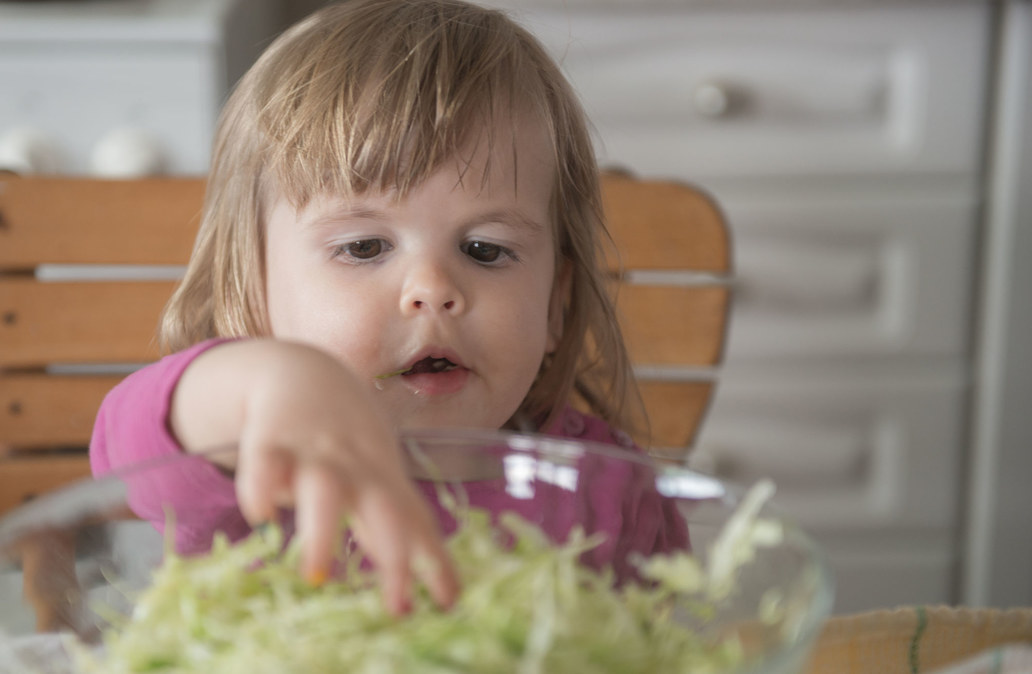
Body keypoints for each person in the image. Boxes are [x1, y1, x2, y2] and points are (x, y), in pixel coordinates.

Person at [90, 0, 686, 617]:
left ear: (556, 307)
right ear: (252, 291)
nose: (431, 288)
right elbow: (127, 447)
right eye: (364, 247)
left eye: (485, 250)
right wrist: (265, 383)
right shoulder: (249, 466)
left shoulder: (605, 489)